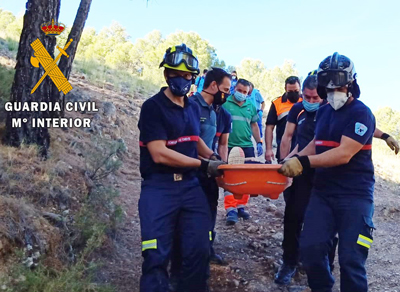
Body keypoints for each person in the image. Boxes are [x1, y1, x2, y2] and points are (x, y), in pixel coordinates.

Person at [276, 71, 400, 286]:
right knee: (311, 251)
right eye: (330, 89)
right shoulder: (324, 111)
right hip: (323, 193)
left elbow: (344, 154)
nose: (335, 94)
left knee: (351, 259)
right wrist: (293, 159)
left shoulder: (361, 113)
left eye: (339, 88)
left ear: (350, 86)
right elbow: (316, 143)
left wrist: (303, 163)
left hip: (355, 195)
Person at [137, 43, 225, 292]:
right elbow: (159, 153)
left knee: (199, 249)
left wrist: (213, 155)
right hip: (159, 187)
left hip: (190, 187)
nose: (183, 80)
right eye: (177, 74)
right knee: (155, 254)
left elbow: (193, 138)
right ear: (166, 74)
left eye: (188, 76)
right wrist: (203, 164)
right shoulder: (152, 107)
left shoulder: (193, 106)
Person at [170, 68, 232, 288]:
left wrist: (219, 166)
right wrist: (207, 161)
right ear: (213, 86)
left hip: (207, 173)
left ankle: (202, 265)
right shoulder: (190, 106)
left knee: (207, 219)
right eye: (225, 89)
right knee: (182, 225)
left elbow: (215, 145)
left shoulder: (216, 112)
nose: (228, 94)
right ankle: (176, 273)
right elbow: (184, 142)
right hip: (187, 173)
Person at [222, 78, 263, 225]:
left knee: (247, 178)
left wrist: (259, 141)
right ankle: (230, 209)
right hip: (229, 145)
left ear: (249, 93)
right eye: (239, 90)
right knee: (230, 178)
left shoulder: (250, 106)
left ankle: (241, 206)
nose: (242, 94)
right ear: (234, 89)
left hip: (247, 145)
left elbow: (254, 125)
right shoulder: (225, 104)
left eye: (245, 92)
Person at [265, 76, 302, 163]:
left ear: (300, 88)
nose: (293, 94)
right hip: (284, 150)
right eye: (290, 92)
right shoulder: (277, 103)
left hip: (303, 149)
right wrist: (269, 149)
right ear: (285, 89)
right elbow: (269, 127)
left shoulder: (306, 100)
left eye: (296, 91)